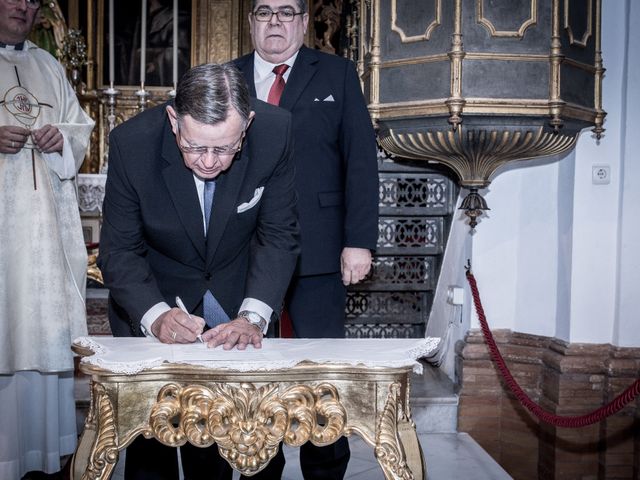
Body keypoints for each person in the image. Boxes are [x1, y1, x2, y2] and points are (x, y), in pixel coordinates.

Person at [97, 62, 299, 479]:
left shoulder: (275, 132)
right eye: (195, 147)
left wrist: (254, 316)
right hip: (155, 297)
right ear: (174, 119)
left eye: (225, 148)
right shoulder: (132, 143)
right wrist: (154, 316)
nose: (209, 162)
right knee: (152, 449)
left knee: (251, 447)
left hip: (238, 294)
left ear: (248, 124)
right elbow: (120, 250)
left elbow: (278, 235)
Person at [234, 1, 379, 478]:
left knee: (321, 378)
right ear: (251, 22)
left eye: (286, 11)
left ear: (301, 22)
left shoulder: (336, 74)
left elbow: (360, 160)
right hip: (245, 252)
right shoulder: (227, 77)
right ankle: (260, 466)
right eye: (264, 12)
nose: (275, 21)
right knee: (255, 377)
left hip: (319, 252)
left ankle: (325, 469)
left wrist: (358, 241)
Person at [0, 0, 95, 478]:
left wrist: (64, 139)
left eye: (31, 0)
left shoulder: (48, 65)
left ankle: (44, 458)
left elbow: (80, 127)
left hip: (44, 233)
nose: (24, 7)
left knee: (40, 331)